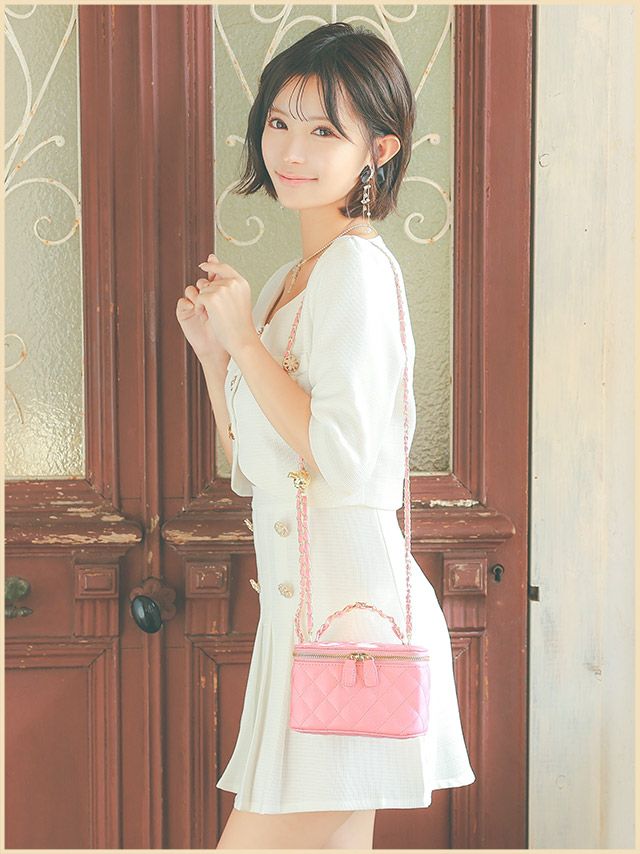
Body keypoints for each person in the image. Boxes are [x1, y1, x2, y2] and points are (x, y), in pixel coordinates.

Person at [176, 21, 475, 850]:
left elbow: (339, 459)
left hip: (353, 633)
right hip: (307, 628)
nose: (290, 149)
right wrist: (215, 355)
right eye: (278, 122)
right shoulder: (289, 279)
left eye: (322, 131)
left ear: (379, 149)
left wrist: (244, 342)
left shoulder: (357, 272)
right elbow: (252, 467)